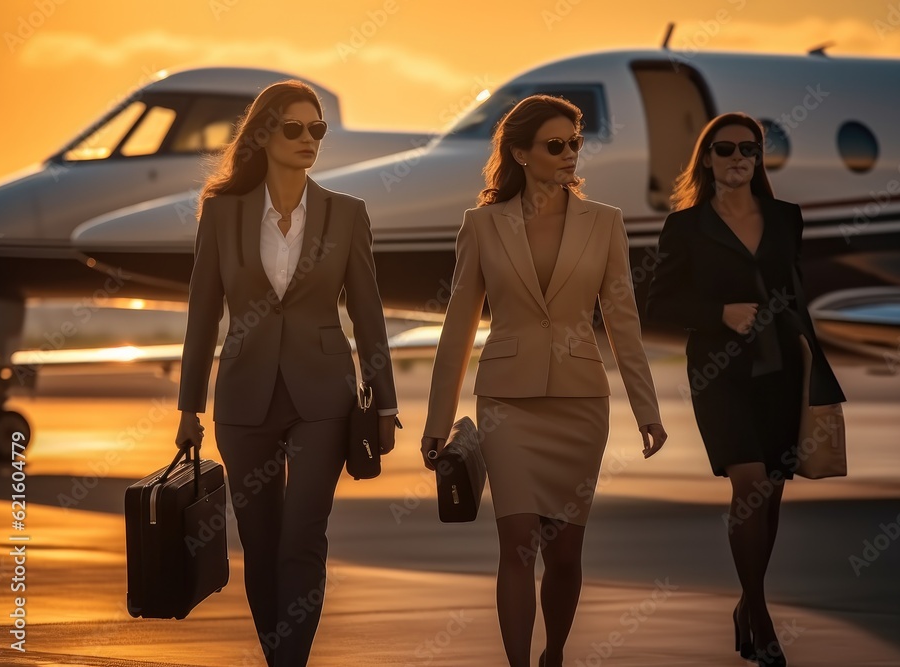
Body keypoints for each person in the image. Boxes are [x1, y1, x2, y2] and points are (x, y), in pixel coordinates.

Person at [421, 94, 667, 667]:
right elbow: (457, 327)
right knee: (517, 542)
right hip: (506, 402)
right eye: (555, 145)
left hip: (581, 404)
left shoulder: (605, 223)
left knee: (564, 551)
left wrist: (646, 409)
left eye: (575, 144)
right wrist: (439, 420)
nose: (569, 155)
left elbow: (623, 322)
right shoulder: (481, 225)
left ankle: (554, 653)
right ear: (521, 153)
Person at [174, 80, 398, 667]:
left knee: (303, 537)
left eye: (317, 130)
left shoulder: (347, 214)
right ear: (264, 135)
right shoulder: (222, 215)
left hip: (323, 396)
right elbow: (202, 317)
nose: (308, 140)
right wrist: (187, 409)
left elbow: (369, 315)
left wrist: (388, 404)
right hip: (244, 397)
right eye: (294, 129)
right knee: (261, 541)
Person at [645, 112, 845, 667]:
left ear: (758, 160)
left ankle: (746, 605)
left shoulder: (787, 218)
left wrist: (817, 369)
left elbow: (796, 295)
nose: (738, 159)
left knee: (772, 491)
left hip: (781, 368)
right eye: (726, 149)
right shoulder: (684, 227)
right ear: (706, 159)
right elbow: (658, 305)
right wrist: (718, 313)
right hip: (719, 374)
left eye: (749, 150)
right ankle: (759, 615)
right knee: (750, 483)